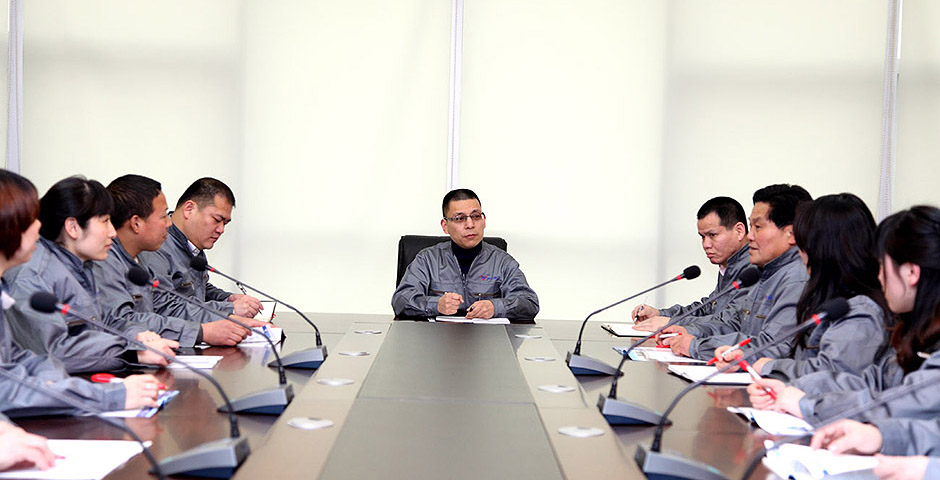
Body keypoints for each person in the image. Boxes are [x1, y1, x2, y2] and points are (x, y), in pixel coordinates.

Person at [747, 206, 940, 425]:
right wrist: (790, 388)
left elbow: (901, 404)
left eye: (881, 266)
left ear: (912, 273)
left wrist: (809, 404)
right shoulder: (917, 329)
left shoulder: (865, 311)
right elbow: (872, 382)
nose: (879, 276)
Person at [0, 170, 161, 417]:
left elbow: (21, 359)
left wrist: (134, 340)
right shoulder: (29, 276)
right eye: (29, 219)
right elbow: (42, 359)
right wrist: (111, 387)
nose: (39, 226)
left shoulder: (84, 266)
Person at [713, 194, 892, 379]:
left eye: (804, 244)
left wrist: (768, 366)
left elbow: (829, 374)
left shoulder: (862, 310)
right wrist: (745, 358)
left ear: (824, 248)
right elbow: (793, 350)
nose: (800, 253)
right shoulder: (827, 297)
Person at [94, 175, 265, 347]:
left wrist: (227, 303)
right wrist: (207, 328)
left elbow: (184, 296)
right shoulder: (111, 260)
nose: (169, 223)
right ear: (136, 223)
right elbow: (134, 318)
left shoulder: (139, 258)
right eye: (163, 217)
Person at [659, 184, 812, 360]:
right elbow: (733, 324)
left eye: (758, 227)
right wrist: (688, 331)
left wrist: (696, 346)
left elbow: (773, 346)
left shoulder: (797, 278)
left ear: (790, 234)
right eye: (751, 226)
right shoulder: (766, 272)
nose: (750, 236)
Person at [391, 188, 539, 319]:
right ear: (445, 226)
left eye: (476, 216)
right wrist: (436, 305)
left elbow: (529, 302)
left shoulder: (502, 261)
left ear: (484, 221)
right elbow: (401, 300)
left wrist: (495, 307)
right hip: (438, 338)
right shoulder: (427, 259)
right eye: (460, 218)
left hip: (487, 339)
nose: (470, 224)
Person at [138, 177, 262, 319]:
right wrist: (230, 309)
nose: (221, 230)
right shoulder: (155, 246)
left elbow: (197, 290)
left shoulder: (193, 244)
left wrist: (227, 298)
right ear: (189, 209)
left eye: (225, 224)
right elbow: (165, 307)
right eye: (217, 220)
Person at [632, 196, 751, 331]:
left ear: (739, 231)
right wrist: (660, 314)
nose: (705, 244)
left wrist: (672, 322)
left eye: (712, 235)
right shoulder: (729, 265)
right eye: (702, 237)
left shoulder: (753, 271)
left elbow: (729, 323)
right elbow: (708, 308)